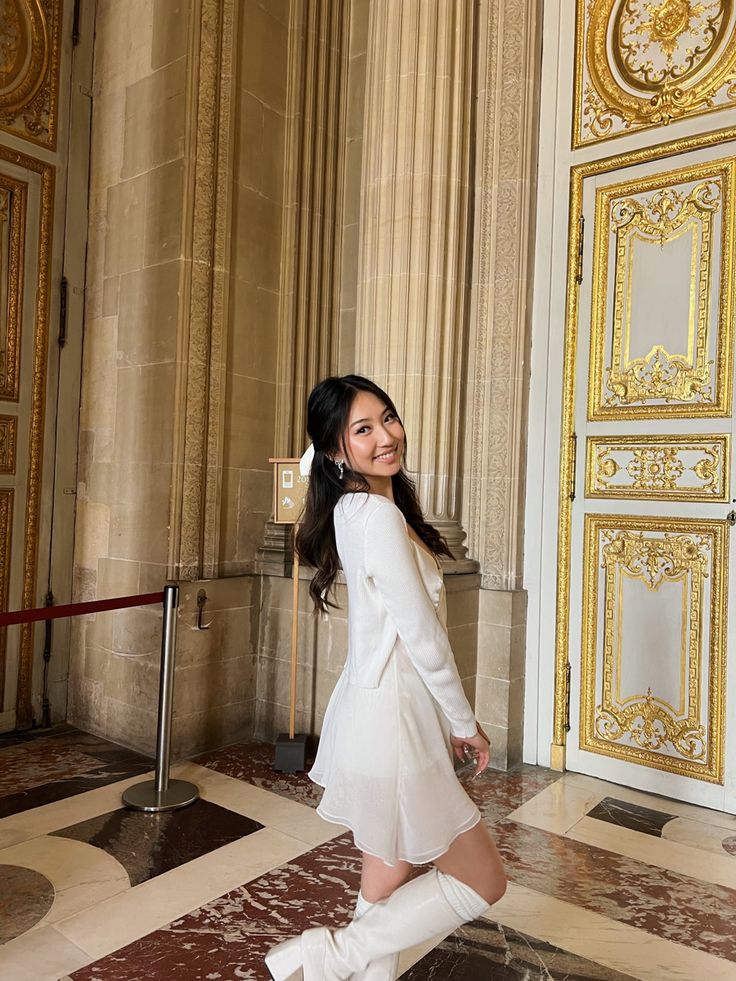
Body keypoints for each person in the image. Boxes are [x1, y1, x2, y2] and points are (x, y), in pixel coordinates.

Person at [266, 375, 507, 981]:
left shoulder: (359, 508)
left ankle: (341, 965)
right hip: (396, 718)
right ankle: (328, 954)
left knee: (383, 879)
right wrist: (464, 722)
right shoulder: (373, 515)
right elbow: (422, 635)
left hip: (379, 711)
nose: (386, 436)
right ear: (334, 450)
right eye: (363, 429)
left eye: (388, 418)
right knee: (483, 878)